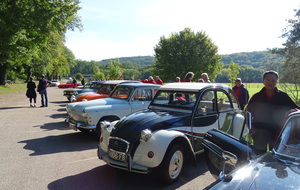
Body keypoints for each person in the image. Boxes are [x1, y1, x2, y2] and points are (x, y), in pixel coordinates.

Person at [247, 70, 299, 155]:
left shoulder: (283, 96)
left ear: (277, 82)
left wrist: (291, 112)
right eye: (267, 80)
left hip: (277, 132)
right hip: (259, 132)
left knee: (275, 157)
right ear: (263, 81)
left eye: (273, 80)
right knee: (259, 157)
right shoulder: (256, 97)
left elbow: (296, 109)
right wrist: (251, 127)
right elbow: (247, 114)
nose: (270, 82)